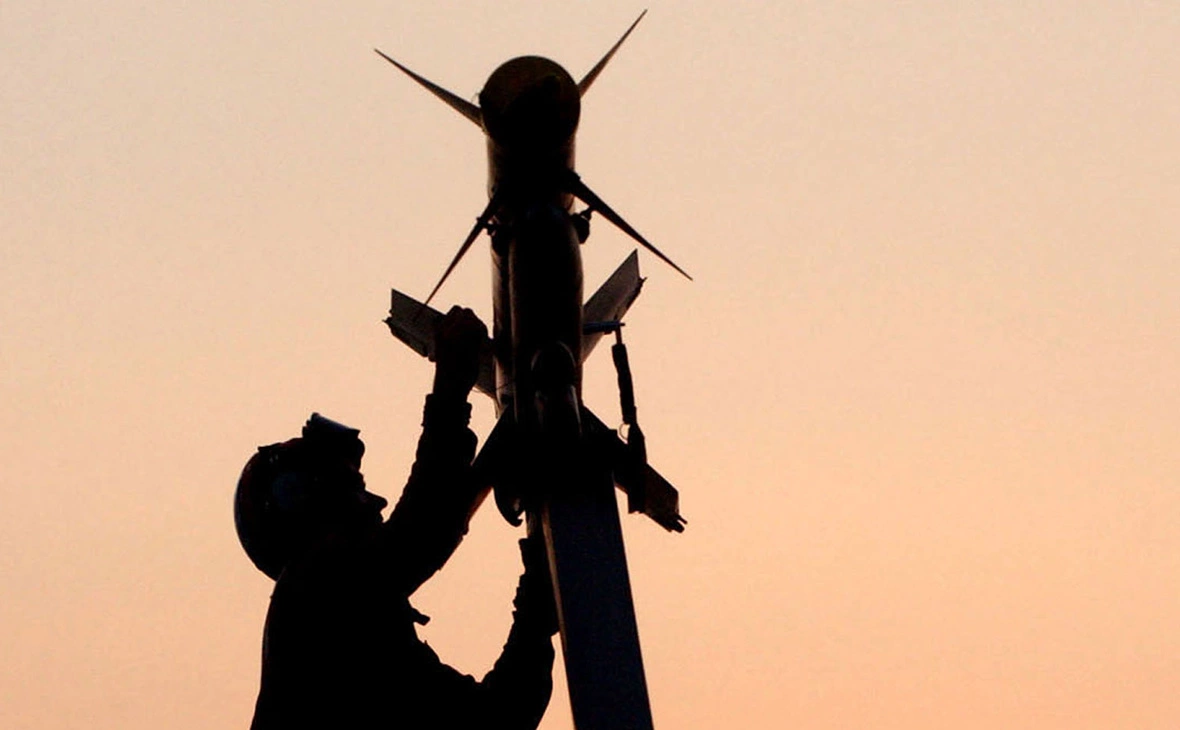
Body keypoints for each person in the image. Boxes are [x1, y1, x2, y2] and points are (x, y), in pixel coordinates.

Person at [234, 307, 557, 729]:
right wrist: (450, 388)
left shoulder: (358, 634)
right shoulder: (315, 591)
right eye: (354, 486)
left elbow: (496, 719)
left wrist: (535, 616)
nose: (375, 503)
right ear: (313, 502)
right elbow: (422, 531)